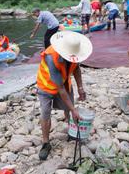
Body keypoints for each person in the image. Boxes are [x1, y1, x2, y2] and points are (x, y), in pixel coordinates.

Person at [36, 30, 92, 160]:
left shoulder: (75, 52)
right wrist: (74, 109)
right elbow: (60, 89)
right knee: (45, 112)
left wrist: (80, 87)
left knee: (68, 107)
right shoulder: (51, 56)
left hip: (64, 81)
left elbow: (76, 68)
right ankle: (45, 143)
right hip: (46, 85)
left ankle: (71, 130)